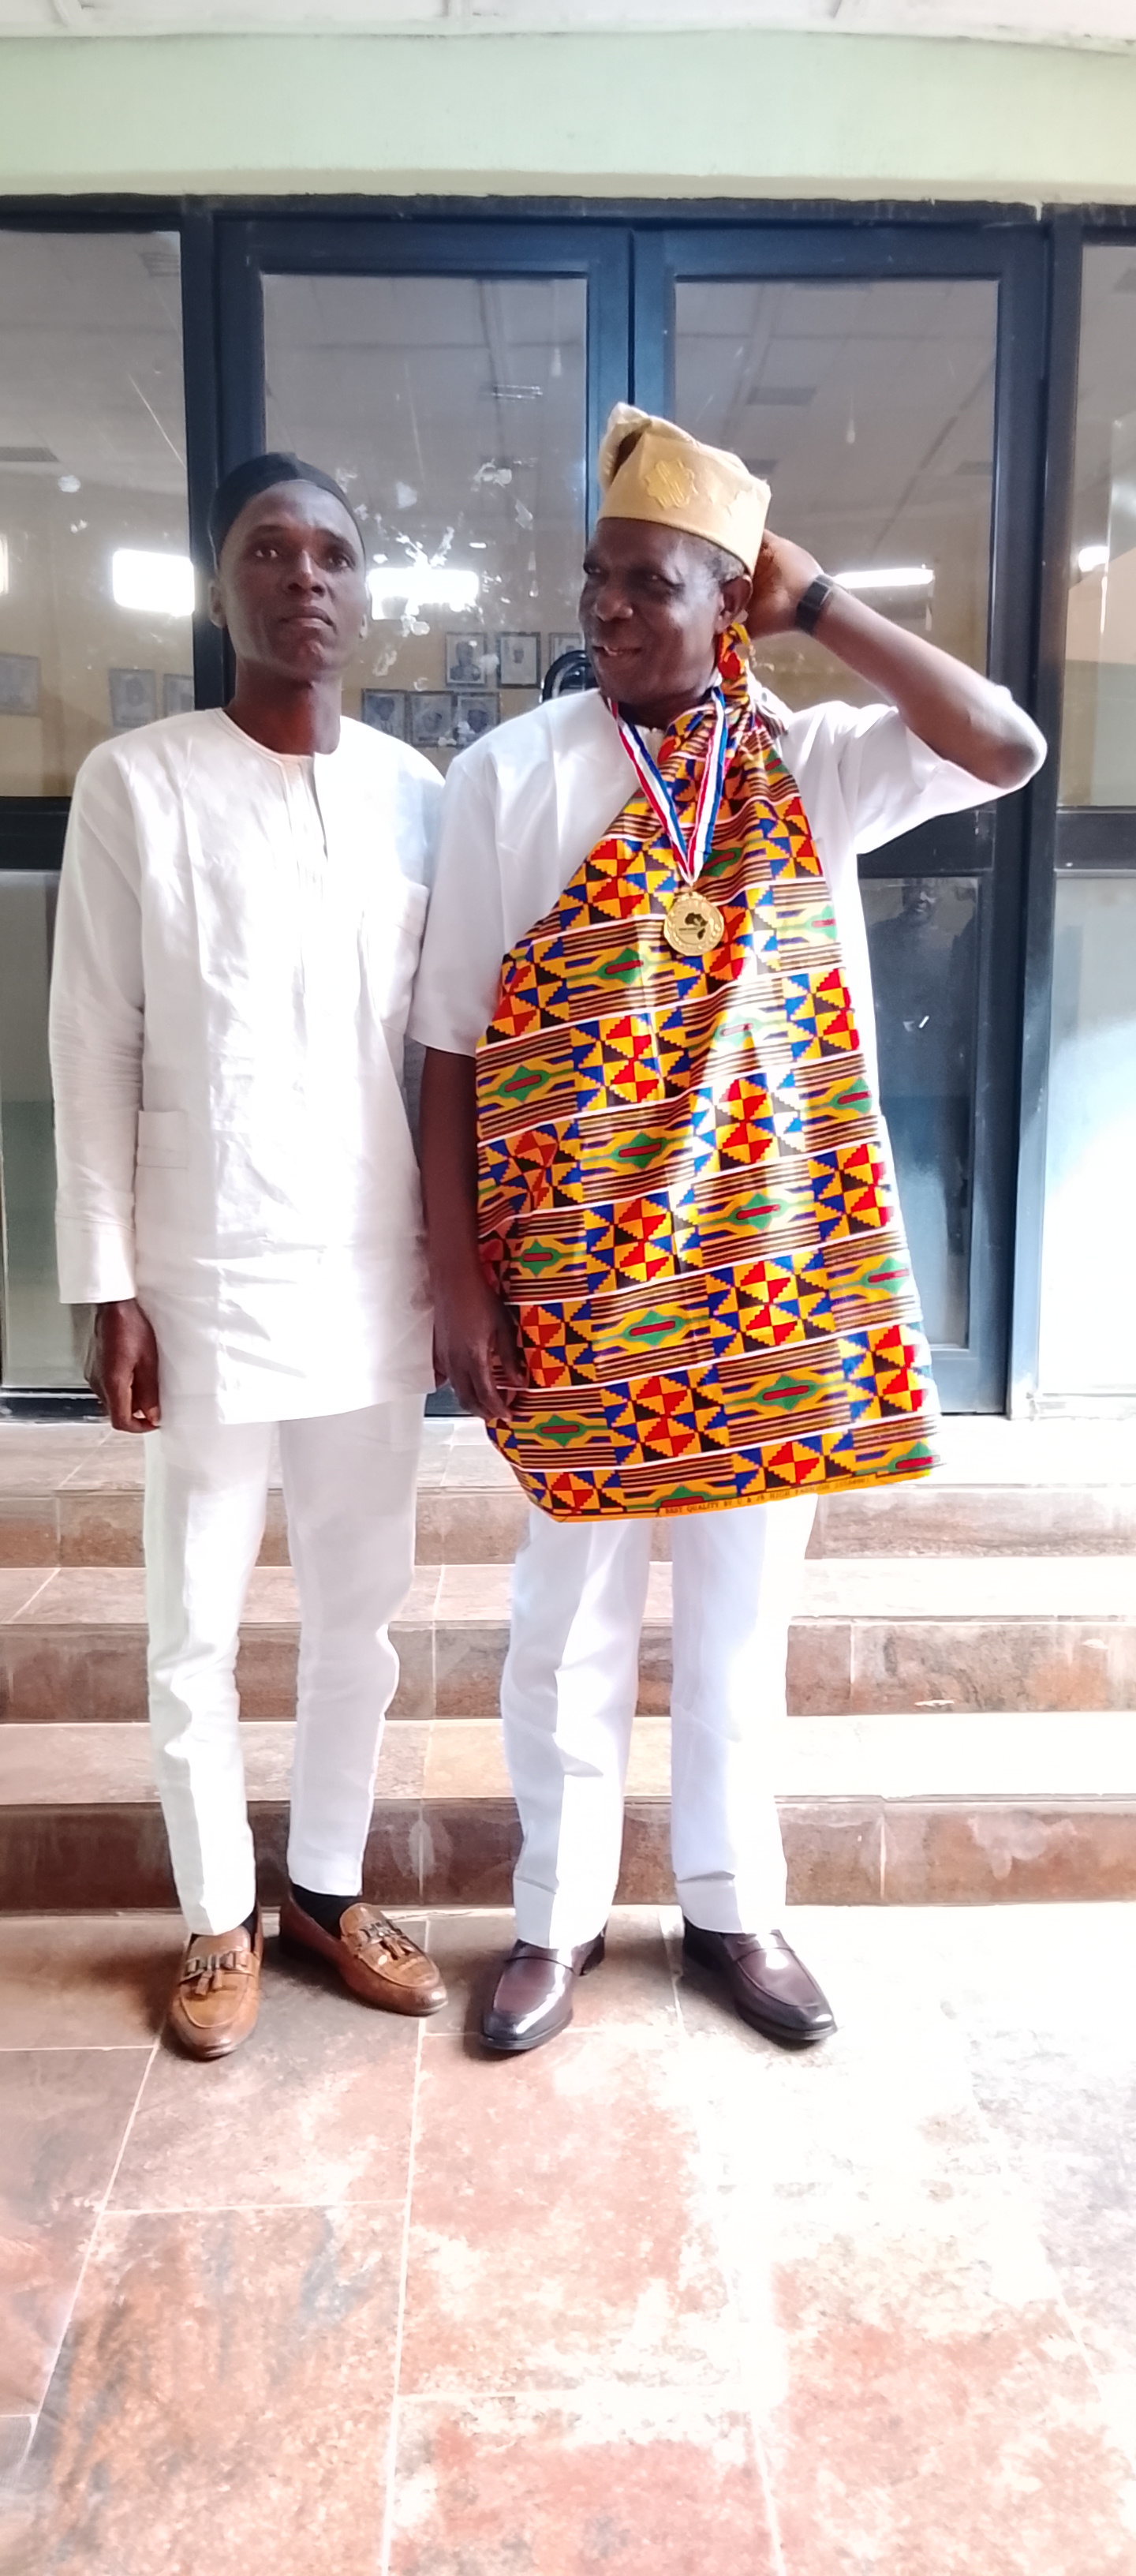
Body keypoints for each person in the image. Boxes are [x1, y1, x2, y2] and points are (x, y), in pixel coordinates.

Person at [410, 406, 1044, 2057]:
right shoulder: (508, 776)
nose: (608, 609)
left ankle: (728, 1909)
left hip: (771, 1279)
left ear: (730, 597)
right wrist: (459, 1279)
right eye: (595, 578)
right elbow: (451, 1044)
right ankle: (554, 1919)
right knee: (565, 1623)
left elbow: (1006, 748)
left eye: (651, 582)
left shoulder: (807, 763)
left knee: (742, 1622)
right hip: (575, 1280)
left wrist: (823, 605)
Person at [50, 452, 447, 2058]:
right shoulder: (136, 783)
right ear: (222, 588)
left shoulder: (418, 794)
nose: (305, 578)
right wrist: (107, 1279)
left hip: (370, 1269)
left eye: (333, 553)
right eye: (270, 551)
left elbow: (446, 1045)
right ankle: (218, 1910)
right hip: (203, 1271)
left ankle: (329, 1891)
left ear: (364, 591)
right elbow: (95, 1039)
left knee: (362, 1612)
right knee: (194, 1621)